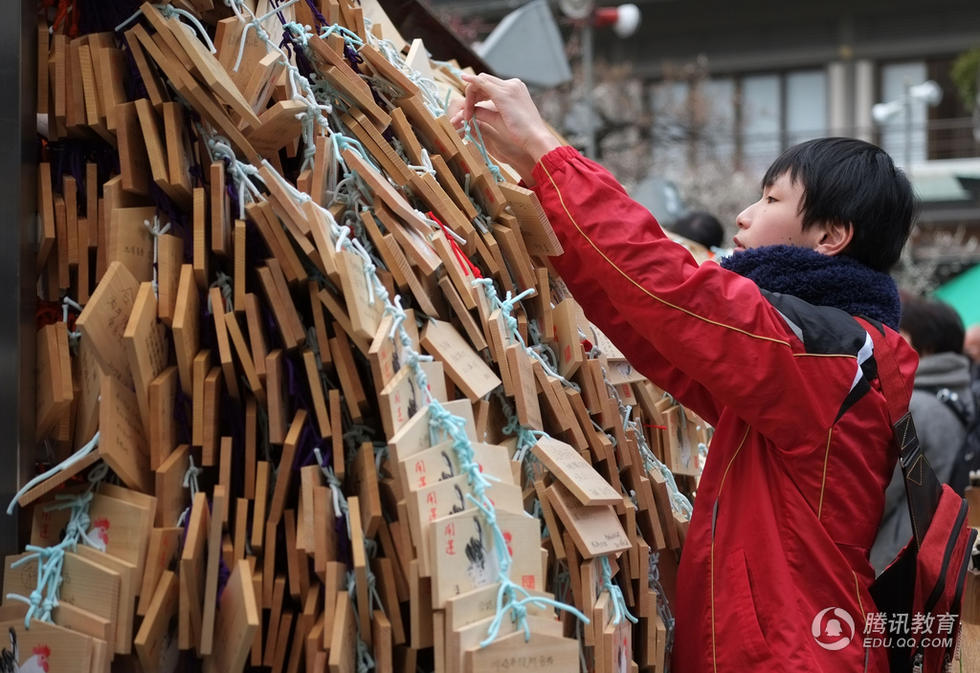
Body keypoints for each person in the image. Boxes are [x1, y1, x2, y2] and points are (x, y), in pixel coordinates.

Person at [450, 74, 917, 672]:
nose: (744, 217)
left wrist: (548, 150)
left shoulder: (822, 354)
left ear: (830, 235)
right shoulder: (842, 352)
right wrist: (545, 192)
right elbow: (652, 325)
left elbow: (671, 289)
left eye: (772, 200)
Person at [871, 294, 975, 572]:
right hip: (945, 547)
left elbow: (878, 494)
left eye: (899, 334)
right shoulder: (966, 395)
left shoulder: (912, 407)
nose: (890, 341)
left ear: (925, 348)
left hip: (899, 555)